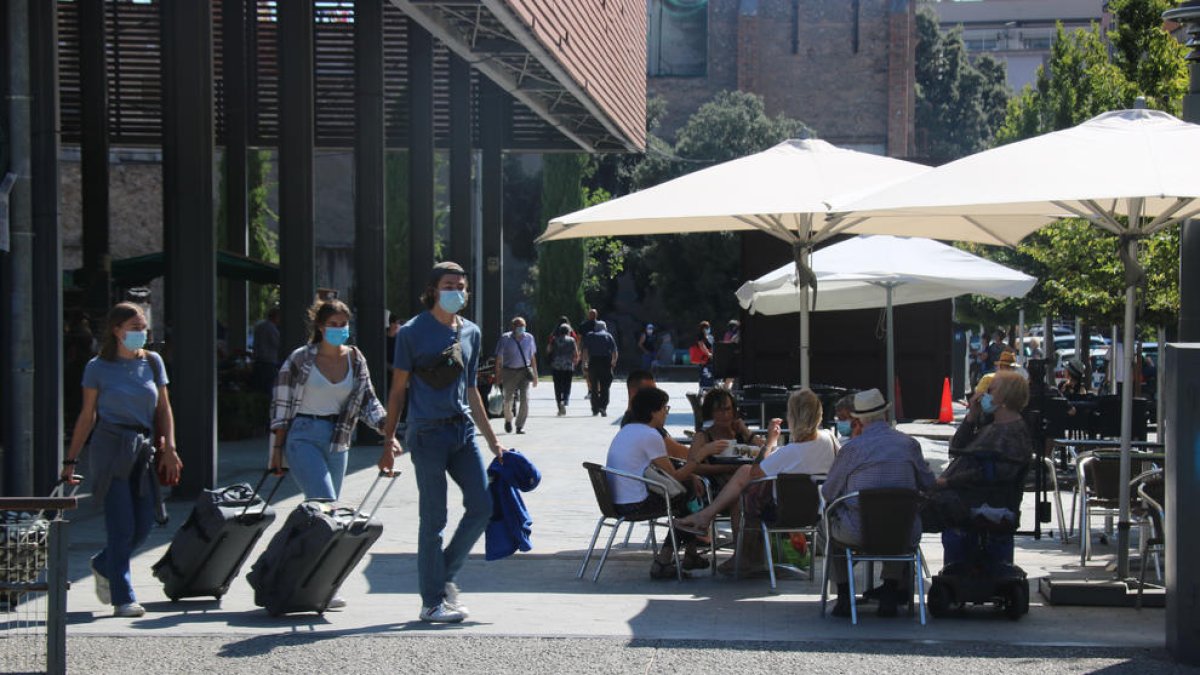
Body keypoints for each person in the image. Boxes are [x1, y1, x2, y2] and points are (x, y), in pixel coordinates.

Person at [379, 261, 506, 624]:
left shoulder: (471, 332)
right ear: (434, 289)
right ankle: (431, 602)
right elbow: (398, 390)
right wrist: (388, 440)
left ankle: (442, 576)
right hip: (427, 433)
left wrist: (494, 441)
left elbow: (472, 391)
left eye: (462, 286)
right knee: (434, 517)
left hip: (462, 431)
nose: (458, 292)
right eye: (450, 285)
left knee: (482, 506)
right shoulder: (411, 332)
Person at [63, 302, 183, 618]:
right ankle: (123, 596)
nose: (140, 334)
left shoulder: (153, 362)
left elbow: (163, 409)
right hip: (110, 446)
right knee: (121, 526)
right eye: (133, 328)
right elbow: (87, 416)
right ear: (116, 330)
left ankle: (104, 564)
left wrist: (170, 447)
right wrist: (71, 460)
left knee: (144, 524)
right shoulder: (97, 367)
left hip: (142, 446)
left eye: (143, 327)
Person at [268, 298, 389, 609]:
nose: (338, 330)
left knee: (330, 517)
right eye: (332, 325)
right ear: (320, 327)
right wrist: (276, 451)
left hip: (338, 438)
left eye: (343, 325)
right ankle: (313, 582)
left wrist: (386, 427)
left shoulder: (356, 358)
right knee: (324, 508)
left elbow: (368, 401)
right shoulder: (300, 359)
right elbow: (280, 406)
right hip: (303, 435)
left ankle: (313, 579)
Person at [676, 388, 838, 574]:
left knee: (744, 481)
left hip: (781, 513)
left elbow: (754, 472)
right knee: (742, 491)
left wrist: (769, 443)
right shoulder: (830, 439)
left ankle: (717, 530)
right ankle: (736, 548)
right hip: (818, 511)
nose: (724, 414)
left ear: (791, 416)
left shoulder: (789, 452)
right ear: (819, 414)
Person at [821, 388, 935, 618]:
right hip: (902, 532)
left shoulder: (851, 449)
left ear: (857, 419)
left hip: (858, 531)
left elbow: (829, 491)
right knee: (899, 518)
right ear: (885, 414)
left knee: (826, 527)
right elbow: (928, 483)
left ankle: (844, 593)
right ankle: (891, 589)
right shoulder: (909, 445)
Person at [605, 387, 723, 578]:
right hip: (634, 503)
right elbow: (674, 477)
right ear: (653, 412)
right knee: (687, 500)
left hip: (616, 500)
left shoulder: (628, 430)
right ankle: (664, 560)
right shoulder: (651, 435)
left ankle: (689, 553)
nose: (666, 413)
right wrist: (701, 454)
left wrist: (691, 475)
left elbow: (665, 470)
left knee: (688, 493)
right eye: (664, 409)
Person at [926, 371, 1032, 532]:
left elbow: (994, 473)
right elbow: (957, 447)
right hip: (963, 498)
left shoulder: (1013, 433)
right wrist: (971, 417)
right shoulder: (991, 426)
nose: (984, 395)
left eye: (991, 391)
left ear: (1005, 396)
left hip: (979, 502)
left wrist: (947, 482)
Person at [621, 370, 727, 461]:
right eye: (650, 392)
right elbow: (679, 454)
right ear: (634, 393)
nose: (655, 396)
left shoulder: (633, 421)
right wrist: (707, 451)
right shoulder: (640, 422)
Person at [495, 316, 538, 434]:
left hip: (524, 371)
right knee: (508, 399)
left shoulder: (529, 338)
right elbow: (499, 358)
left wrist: (535, 375)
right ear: (513, 327)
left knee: (525, 399)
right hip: (509, 371)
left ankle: (520, 425)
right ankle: (508, 419)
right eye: (519, 326)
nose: (522, 328)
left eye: (523, 326)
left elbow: (532, 357)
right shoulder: (505, 338)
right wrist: (498, 374)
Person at [582, 319, 618, 417]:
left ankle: (595, 408)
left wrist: (585, 364)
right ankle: (603, 406)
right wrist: (613, 362)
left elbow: (585, 351)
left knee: (593, 386)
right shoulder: (608, 336)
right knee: (605, 386)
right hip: (605, 362)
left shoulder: (590, 335)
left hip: (593, 362)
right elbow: (614, 351)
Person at [549, 323, 579, 416]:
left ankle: (559, 403)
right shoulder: (572, 340)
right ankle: (565, 400)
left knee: (557, 385)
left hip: (556, 365)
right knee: (567, 384)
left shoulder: (554, 340)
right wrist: (575, 361)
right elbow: (575, 353)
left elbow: (549, 350)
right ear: (568, 331)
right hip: (568, 365)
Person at [252, 306, 281, 394]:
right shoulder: (272, 329)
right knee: (269, 388)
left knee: (259, 388)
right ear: (275, 316)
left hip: (258, 361)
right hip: (269, 362)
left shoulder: (259, 326)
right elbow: (277, 344)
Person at [578, 308, 598, 398]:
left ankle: (592, 391)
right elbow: (579, 338)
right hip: (596, 352)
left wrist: (578, 351)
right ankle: (593, 391)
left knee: (587, 372)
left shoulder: (584, 325)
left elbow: (579, 339)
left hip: (588, 352)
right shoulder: (600, 325)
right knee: (593, 372)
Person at [689, 321, 714, 389]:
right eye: (707, 328)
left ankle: (707, 387)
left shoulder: (709, 337)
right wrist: (708, 354)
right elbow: (701, 345)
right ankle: (704, 388)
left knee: (708, 374)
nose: (708, 329)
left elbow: (711, 346)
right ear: (703, 329)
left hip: (708, 359)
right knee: (705, 374)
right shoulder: (700, 336)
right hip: (704, 359)